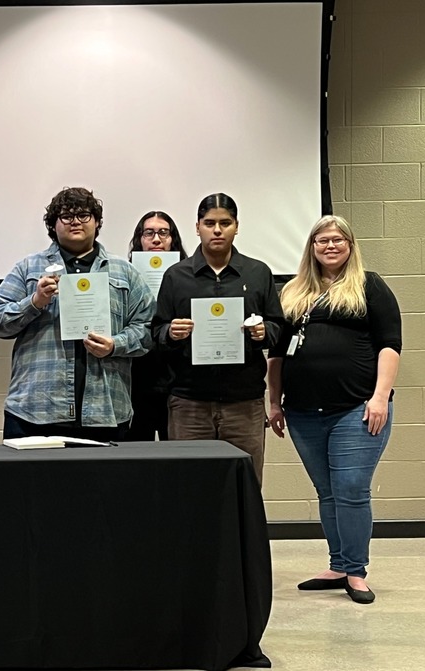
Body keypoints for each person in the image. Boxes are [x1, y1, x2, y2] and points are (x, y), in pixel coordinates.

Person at [268, 214, 401, 605]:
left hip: (356, 408)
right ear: (311, 247)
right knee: (326, 491)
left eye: (338, 240)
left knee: (351, 490)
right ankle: (339, 563)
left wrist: (380, 397)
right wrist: (273, 401)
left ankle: (356, 571)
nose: (330, 246)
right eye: (322, 240)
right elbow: (276, 354)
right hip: (303, 412)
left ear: (350, 246)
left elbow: (390, 344)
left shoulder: (368, 285)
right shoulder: (292, 292)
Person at [0, 186, 155, 442]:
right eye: (66, 216)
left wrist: (115, 345)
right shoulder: (28, 268)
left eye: (84, 215)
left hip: (105, 412)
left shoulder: (124, 272)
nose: (75, 221)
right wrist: (35, 301)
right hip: (35, 412)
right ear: (53, 224)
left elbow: (146, 327)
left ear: (97, 222)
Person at [151, 193, 283, 483]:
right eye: (210, 223)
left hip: (243, 402)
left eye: (225, 223)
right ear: (197, 227)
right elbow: (156, 331)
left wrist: (264, 332)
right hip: (189, 404)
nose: (218, 229)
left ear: (237, 226)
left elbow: (278, 327)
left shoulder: (258, 272)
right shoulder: (176, 276)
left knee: (245, 486)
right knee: (189, 488)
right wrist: (171, 333)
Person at [126, 210, 188, 441]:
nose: (156, 239)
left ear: (173, 239)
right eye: (149, 233)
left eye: (163, 233)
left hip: (177, 381)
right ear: (139, 239)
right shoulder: (125, 274)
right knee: (136, 455)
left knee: (175, 459)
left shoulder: (188, 275)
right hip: (136, 380)